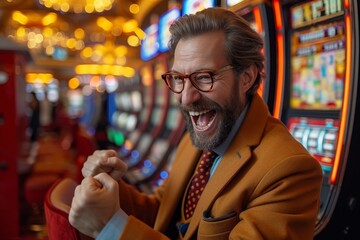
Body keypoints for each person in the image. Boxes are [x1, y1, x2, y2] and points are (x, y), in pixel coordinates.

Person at [69, 8, 323, 239]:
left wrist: (113, 228)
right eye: (178, 79)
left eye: (204, 77)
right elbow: (164, 212)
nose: (187, 97)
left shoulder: (289, 170)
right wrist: (110, 189)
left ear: (246, 78)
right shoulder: (200, 136)